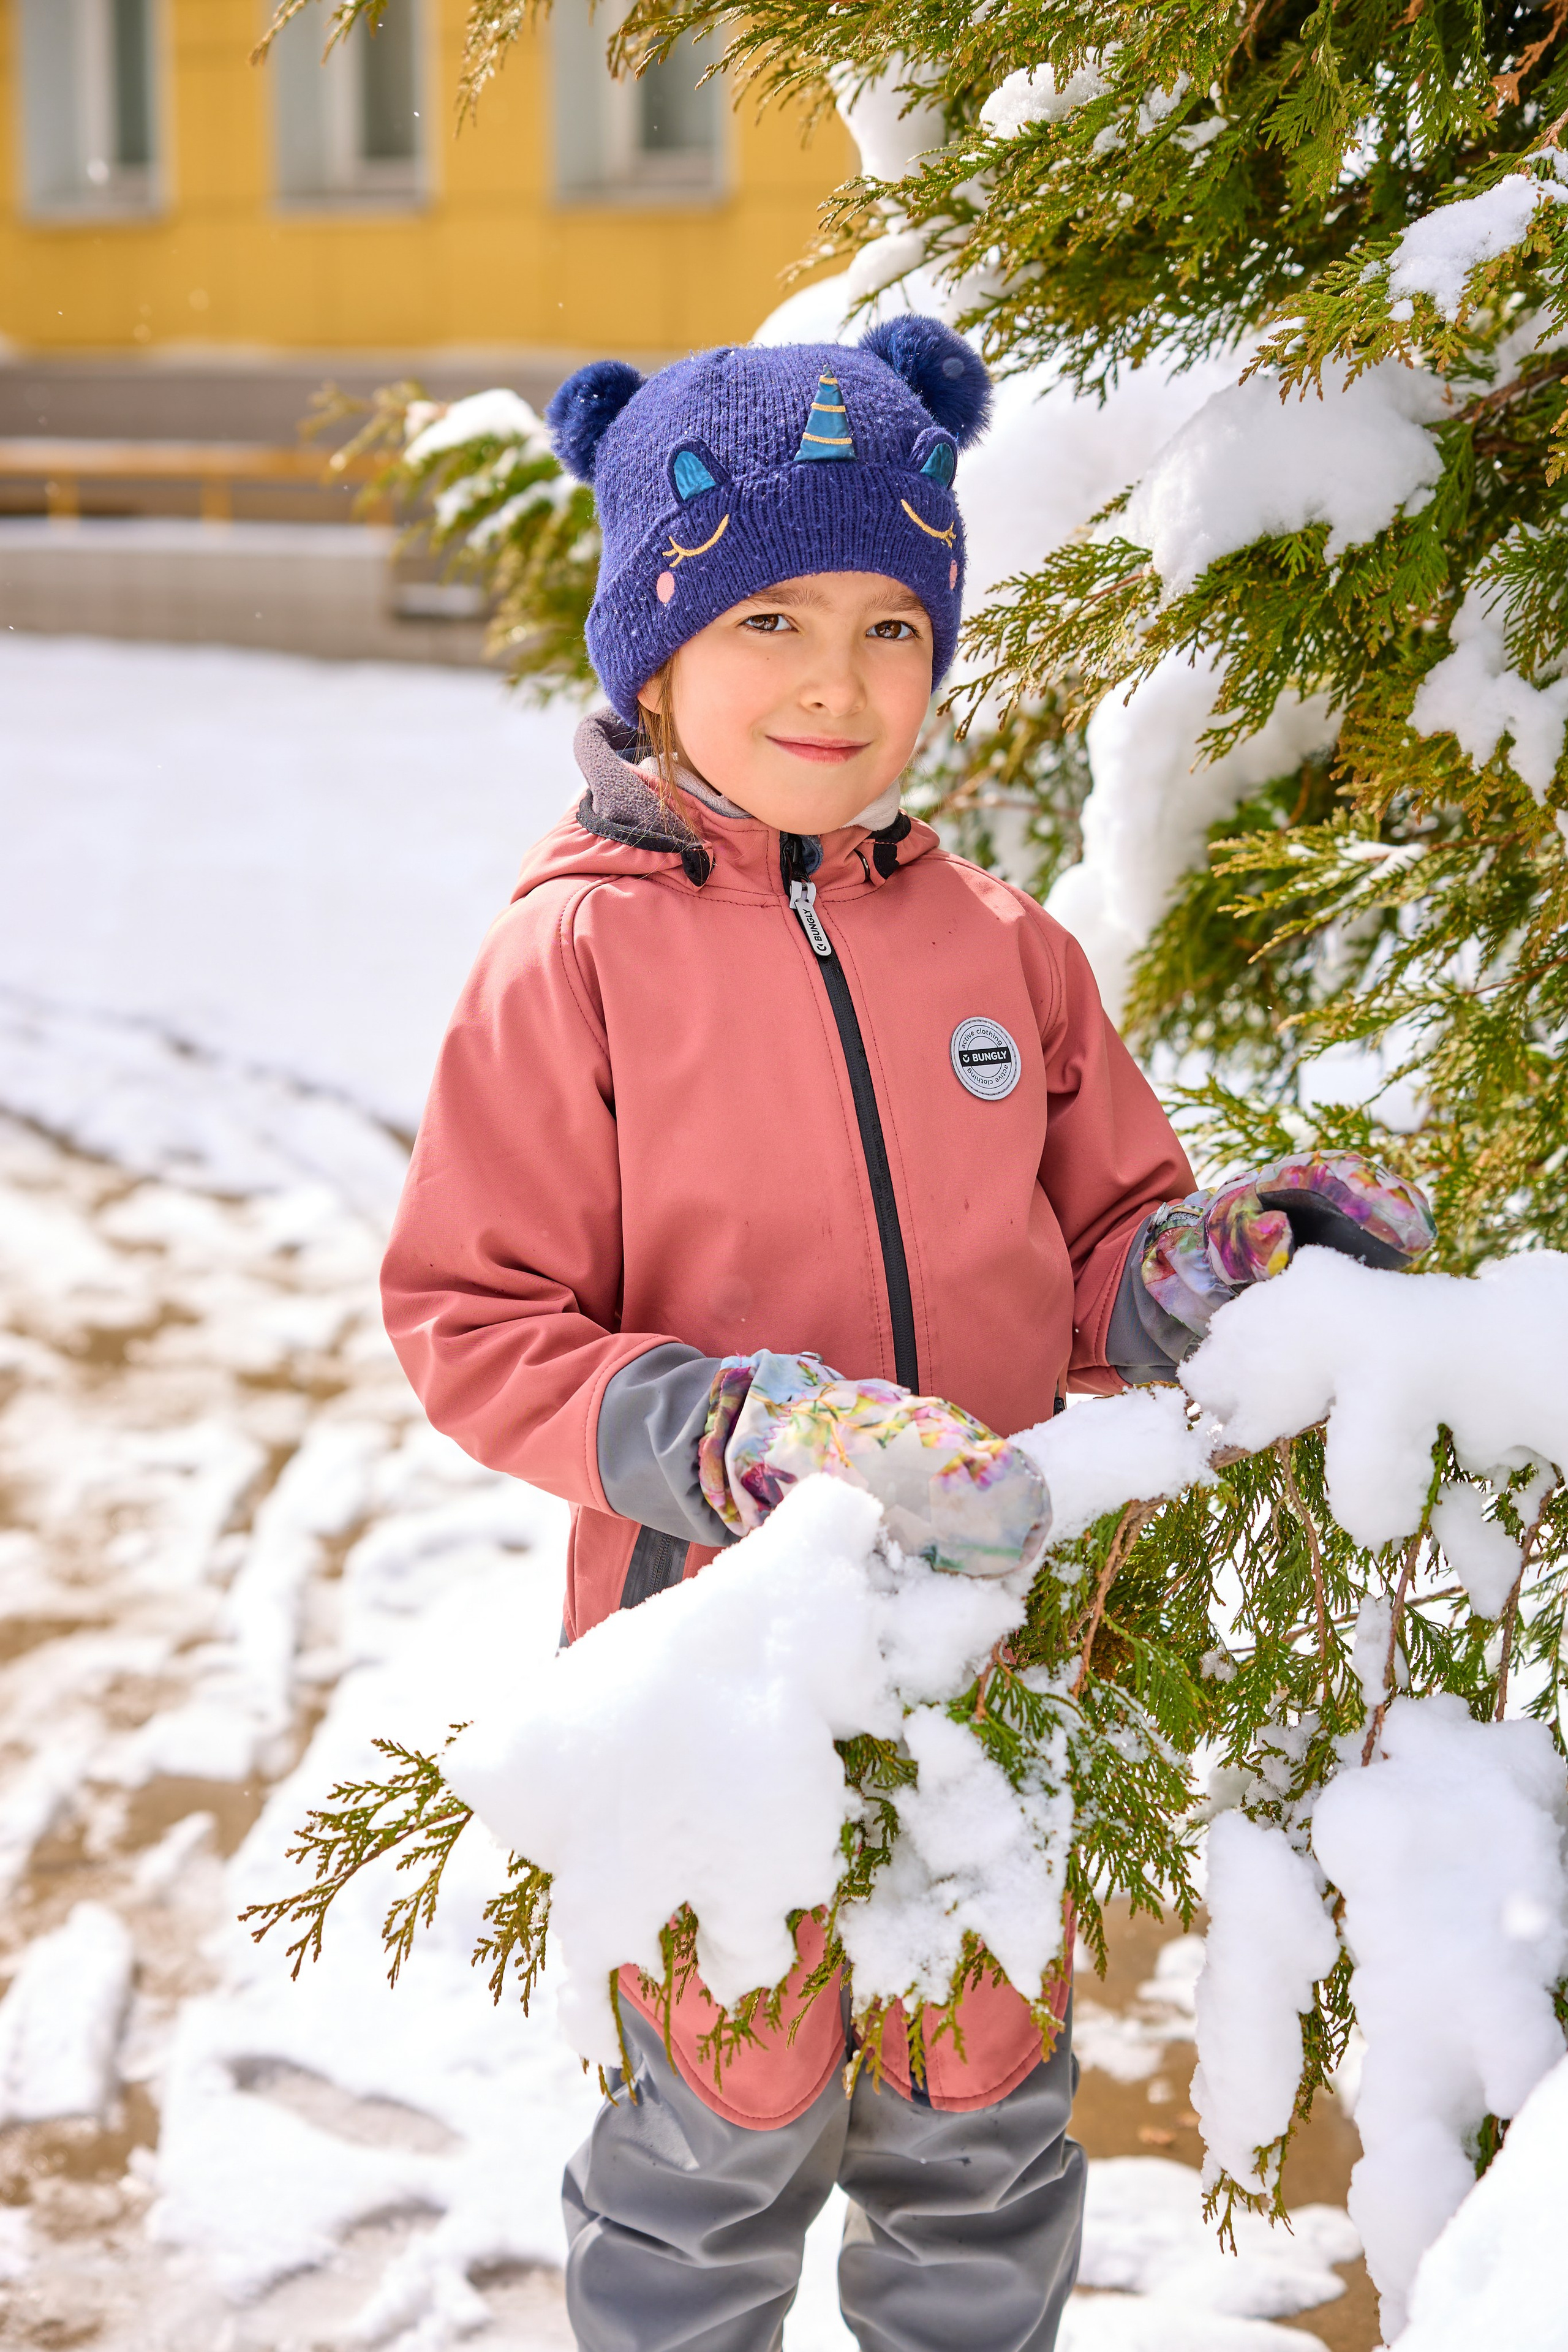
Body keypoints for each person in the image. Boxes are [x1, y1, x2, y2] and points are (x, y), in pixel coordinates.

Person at [380, 318, 1435, 2352]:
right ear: (653, 649)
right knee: (722, 2120)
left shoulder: (1002, 950)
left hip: (1002, 1658)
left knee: (981, 2119)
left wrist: (1219, 1259)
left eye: (891, 623)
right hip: (719, 1663)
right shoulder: (571, 959)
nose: (839, 681)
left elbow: (1098, 1252)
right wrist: (727, 1431)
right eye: (770, 615)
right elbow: (474, 1316)